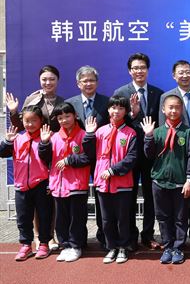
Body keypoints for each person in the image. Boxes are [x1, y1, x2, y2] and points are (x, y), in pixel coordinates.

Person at [113, 52, 164, 250]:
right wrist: (132, 114)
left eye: (142, 67)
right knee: (129, 196)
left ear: (147, 70)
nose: (139, 71)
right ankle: (130, 235)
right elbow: (116, 121)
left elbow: (160, 123)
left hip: (151, 153)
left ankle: (148, 234)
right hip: (129, 153)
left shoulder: (158, 93)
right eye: (135, 68)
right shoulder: (120, 93)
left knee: (152, 196)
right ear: (129, 71)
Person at [142, 95, 190, 264]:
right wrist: (148, 136)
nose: (173, 111)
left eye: (177, 107)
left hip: (181, 183)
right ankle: (168, 246)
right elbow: (149, 155)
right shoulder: (157, 132)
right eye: (170, 107)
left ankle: (178, 247)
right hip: (159, 181)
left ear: (182, 110)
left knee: (180, 217)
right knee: (163, 216)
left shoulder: (188, 132)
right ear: (163, 109)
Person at [159, 60, 190, 250]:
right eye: (180, 72)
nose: (184, 75)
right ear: (174, 75)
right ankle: (174, 238)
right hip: (175, 155)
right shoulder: (167, 97)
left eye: (187, 72)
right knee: (175, 199)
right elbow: (163, 127)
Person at [85, 95, 138, 264]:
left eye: (121, 108)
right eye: (113, 107)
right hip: (103, 183)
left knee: (123, 218)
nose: (116, 111)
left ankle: (123, 247)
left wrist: (113, 170)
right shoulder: (100, 131)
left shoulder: (130, 133)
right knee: (106, 220)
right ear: (108, 109)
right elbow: (89, 154)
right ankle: (111, 247)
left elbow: (131, 158)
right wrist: (89, 134)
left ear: (126, 111)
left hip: (122, 183)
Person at [38, 103, 92, 263]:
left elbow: (88, 157)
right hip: (58, 185)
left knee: (77, 218)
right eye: (60, 118)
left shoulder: (83, 135)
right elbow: (45, 159)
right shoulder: (53, 137)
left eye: (67, 116)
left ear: (75, 115)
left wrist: (69, 160)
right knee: (61, 218)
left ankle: (76, 245)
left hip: (77, 184)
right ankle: (65, 245)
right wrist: (44, 144)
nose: (64, 120)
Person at [1, 106, 53, 261]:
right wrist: (7, 141)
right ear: (22, 122)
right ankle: (25, 244)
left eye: (34, 121)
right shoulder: (18, 138)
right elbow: (2, 153)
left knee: (44, 215)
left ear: (41, 121)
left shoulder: (47, 136)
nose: (30, 124)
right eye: (27, 121)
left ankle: (44, 243)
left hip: (42, 183)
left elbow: (50, 158)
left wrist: (44, 142)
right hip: (21, 185)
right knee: (23, 217)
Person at [66, 65, 110, 250]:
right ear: (78, 84)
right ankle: (78, 239)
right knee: (78, 199)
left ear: (97, 82)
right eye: (85, 80)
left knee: (102, 197)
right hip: (78, 158)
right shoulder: (70, 104)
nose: (88, 83)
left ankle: (103, 235)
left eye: (92, 80)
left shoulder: (107, 103)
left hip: (101, 158)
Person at [7, 65, 65, 132]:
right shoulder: (31, 100)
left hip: (57, 141)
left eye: (52, 79)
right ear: (40, 80)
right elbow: (19, 127)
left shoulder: (63, 102)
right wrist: (13, 111)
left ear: (57, 80)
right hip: (35, 141)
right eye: (44, 79)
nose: (48, 83)